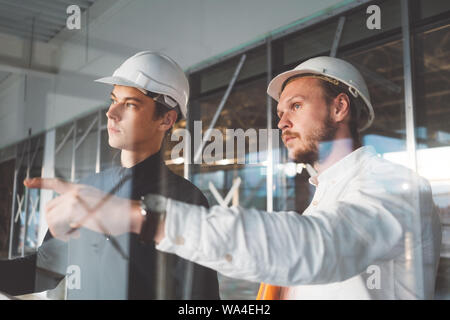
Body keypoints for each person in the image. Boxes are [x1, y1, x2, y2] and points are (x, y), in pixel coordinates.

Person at [25, 56, 442, 299]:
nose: (281, 121)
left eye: (295, 105)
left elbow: (318, 247)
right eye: (280, 113)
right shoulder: (325, 197)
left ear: (339, 107)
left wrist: (141, 218)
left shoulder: (394, 187)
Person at [0, 51, 220, 300]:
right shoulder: (88, 189)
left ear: (166, 119)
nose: (111, 113)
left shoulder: (186, 200)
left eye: (129, 105)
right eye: (113, 100)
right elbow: (44, 271)